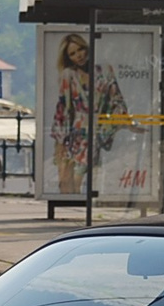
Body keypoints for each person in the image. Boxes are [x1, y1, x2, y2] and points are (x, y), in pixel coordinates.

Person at [49, 32, 127, 195]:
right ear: (68, 57)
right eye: (72, 53)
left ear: (87, 48)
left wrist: (116, 122)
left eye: (81, 49)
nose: (79, 55)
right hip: (73, 133)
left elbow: (117, 100)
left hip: (96, 132)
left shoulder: (104, 70)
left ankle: (82, 210)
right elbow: (63, 108)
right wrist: (61, 141)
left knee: (81, 178)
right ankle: (70, 210)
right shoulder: (68, 75)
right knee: (67, 180)